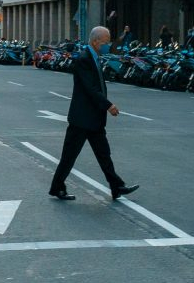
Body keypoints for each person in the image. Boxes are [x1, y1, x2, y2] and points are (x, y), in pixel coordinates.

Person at [49, 26, 137, 202]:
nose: (108, 45)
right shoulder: (84, 59)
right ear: (96, 41)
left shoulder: (95, 58)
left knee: (104, 154)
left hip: (93, 119)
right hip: (81, 119)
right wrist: (108, 105)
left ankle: (116, 187)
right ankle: (57, 187)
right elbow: (90, 89)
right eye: (106, 42)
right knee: (69, 156)